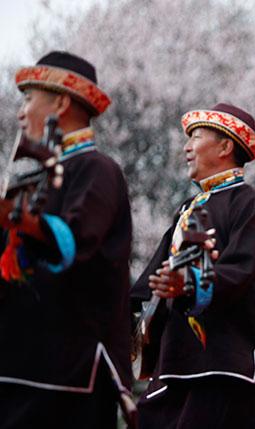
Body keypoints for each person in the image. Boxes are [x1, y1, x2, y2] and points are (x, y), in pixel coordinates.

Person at [0, 51, 132, 428]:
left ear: (61, 101)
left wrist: (17, 220)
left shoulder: (97, 169)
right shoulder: (32, 180)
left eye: (28, 99)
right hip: (18, 360)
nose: (20, 113)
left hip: (68, 367)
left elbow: (76, 242)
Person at [131, 103, 255, 428]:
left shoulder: (252, 206)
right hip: (175, 360)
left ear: (226, 146)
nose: (186, 147)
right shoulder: (189, 208)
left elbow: (240, 273)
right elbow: (154, 275)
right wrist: (124, 311)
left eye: (195, 136)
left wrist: (187, 285)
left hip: (227, 362)